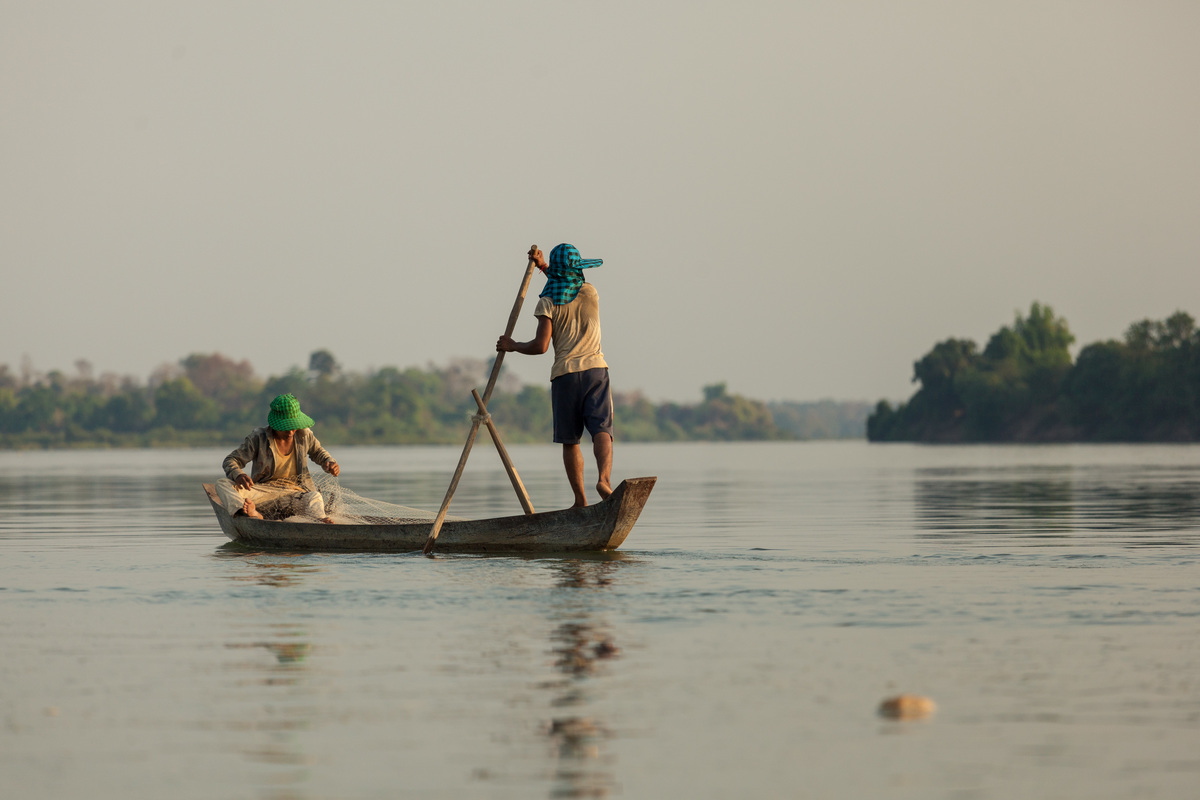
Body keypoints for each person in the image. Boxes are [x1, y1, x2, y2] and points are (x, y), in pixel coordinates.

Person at [498, 243, 613, 508]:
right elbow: (566, 279)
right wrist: (543, 266)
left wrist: (512, 345)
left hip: (565, 376)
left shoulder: (547, 303)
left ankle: (580, 501)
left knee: (570, 440)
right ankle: (604, 480)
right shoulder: (590, 292)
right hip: (596, 370)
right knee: (602, 431)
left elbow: (541, 347)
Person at [215, 393, 341, 522]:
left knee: (314, 497)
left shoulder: (304, 434)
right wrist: (238, 475)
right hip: (264, 493)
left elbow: (318, 452)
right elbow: (230, 460)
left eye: (293, 427)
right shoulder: (258, 438)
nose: (291, 432)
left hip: (295, 494)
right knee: (222, 484)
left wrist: (329, 462)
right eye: (286, 427)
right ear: (275, 425)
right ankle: (245, 513)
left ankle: (320, 521)